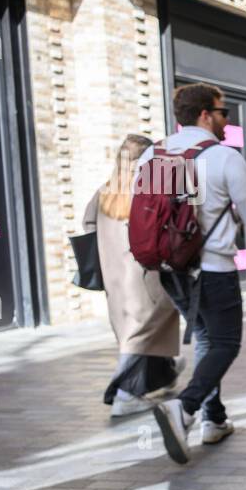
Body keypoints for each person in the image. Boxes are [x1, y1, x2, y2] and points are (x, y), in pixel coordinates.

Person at [149, 83, 246, 464]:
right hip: (213, 269)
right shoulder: (224, 157)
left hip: (170, 270)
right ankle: (186, 407)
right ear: (205, 115)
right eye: (223, 112)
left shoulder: (154, 153)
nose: (228, 120)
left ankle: (213, 418)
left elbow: (158, 216)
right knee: (226, 343)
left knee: (207, 340)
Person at [82, 134, 185, 417]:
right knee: (143, 331)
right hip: (143, 273)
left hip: (113, 277)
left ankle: (165, 370)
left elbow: (88, 224)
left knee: (135, 329)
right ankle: (124, 394)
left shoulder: (104, 191)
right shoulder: (146, 190)